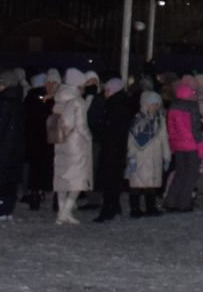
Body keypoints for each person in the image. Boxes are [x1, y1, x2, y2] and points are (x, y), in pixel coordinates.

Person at [0, 69, 29, 221]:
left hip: (2, 148)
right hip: (14, 149)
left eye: (1, 84)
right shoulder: (17, 101)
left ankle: (0, 209)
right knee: (10, 179)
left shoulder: (5, 102)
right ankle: (8, 209)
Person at [51, 67, 94, 225]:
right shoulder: (78, 101)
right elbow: (81, 126)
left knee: (62, 177)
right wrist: (89, 137)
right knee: (77, 178)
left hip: (60, 141)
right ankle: (65, 212)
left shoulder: (59, 97)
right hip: (76, 143)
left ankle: (62, 212)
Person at [93, 76, 135, 222]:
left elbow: (111, 128)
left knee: (110, 180)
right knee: (113, 179)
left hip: (112, 148)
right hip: (116, 148)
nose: (105, 93)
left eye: (107, 90)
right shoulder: (120, 103)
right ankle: (114, 206)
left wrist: (101, 132)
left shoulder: (115, 105)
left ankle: (108, 209)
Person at [126, 89, 170, 218]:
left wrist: (166, 156)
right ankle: (135, 209)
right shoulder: (137, 121)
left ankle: (151, 207)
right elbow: (131, 140)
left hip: (155, 157)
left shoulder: (160, 120)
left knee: (151, 183)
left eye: (157, 104)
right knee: (136, 183)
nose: (155, 107)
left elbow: (164, 138)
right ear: (145, 104)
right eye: (152, 104)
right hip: (139, 157)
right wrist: (131, 157)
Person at [163, 77, 203, 212]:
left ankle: (171, 201)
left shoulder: (173, 106)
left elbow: (171, 128)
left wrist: (172, 144)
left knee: (180, 173)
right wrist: (200, 145)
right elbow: (195, 128)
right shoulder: (192, 106)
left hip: (178, 146)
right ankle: (184, 203)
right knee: (191, 175)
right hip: (191, 145)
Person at [23, 71, 58, 210]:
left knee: (54, 172)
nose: (50, 85)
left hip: (53, 142)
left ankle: (56, 200)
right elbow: (30, 115)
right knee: (36, 171)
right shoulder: (35, 95)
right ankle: (35, 197)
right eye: (48, 82)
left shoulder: (60, 98)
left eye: (53, 83)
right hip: (37, 140)